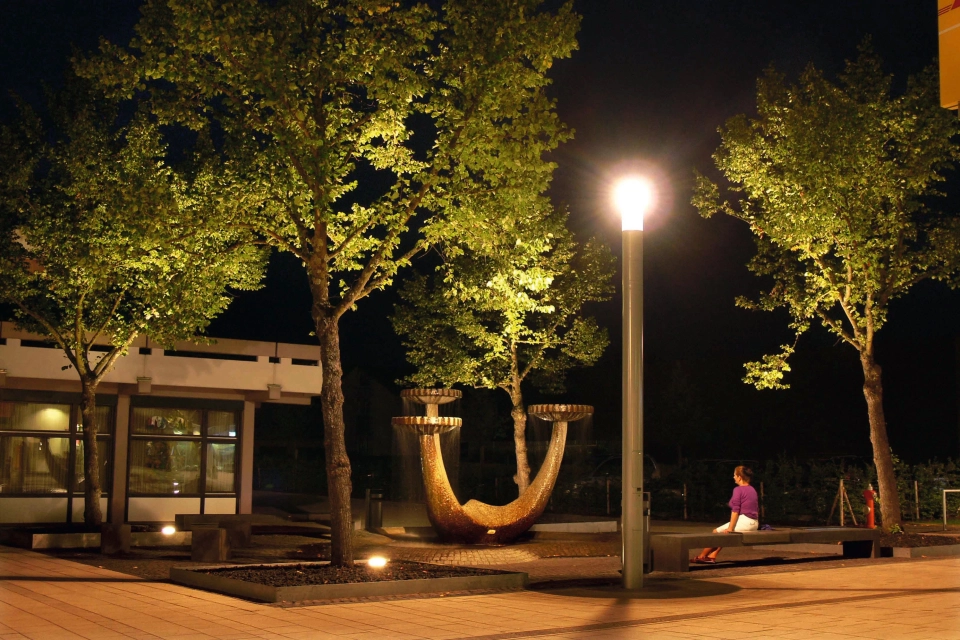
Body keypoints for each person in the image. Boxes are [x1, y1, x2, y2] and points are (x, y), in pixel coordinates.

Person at [693, 465, 759, 564]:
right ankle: (712, 556)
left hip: (745, 520)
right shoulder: (752, 489)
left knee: (716, 532)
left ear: (739, 477)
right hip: (754, 523)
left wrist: (731, 528)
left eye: (734, 475)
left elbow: (735, 511)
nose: (733, 477)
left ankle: (701, 556)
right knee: (724, 532)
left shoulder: (738, 490)